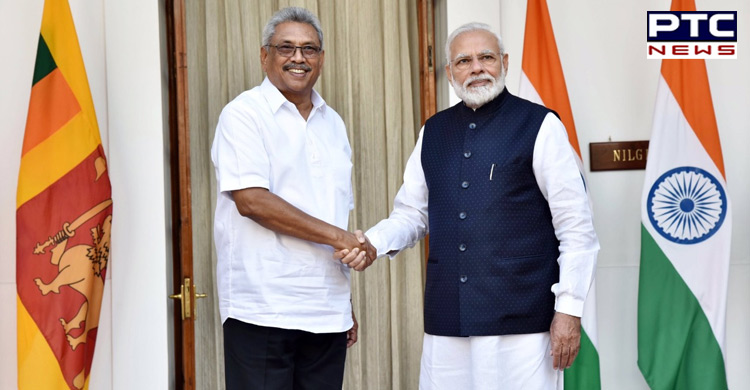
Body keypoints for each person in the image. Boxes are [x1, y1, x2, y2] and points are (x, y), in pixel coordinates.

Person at [338, 22, 599, 389]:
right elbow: (413, 213)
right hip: (448, 322)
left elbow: (576, 227)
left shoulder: (540, 125)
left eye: (486, 57)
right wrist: (373, 243)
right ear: (449, 72)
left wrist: (568, 310)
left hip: (522, 323)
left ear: (504, 62)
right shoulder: (433, 130)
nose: (476, 68)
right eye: (463, 61)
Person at [211, 7, 374, 390]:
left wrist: (342, 298)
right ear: (265, 55)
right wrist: (342, 238)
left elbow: (331, 212)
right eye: (286, 47)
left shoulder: (332, 122)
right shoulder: (243, 115)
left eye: (309, 49)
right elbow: (251, 200)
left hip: (325, 312)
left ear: (321, 58)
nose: (298, 58)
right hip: (262, 309)